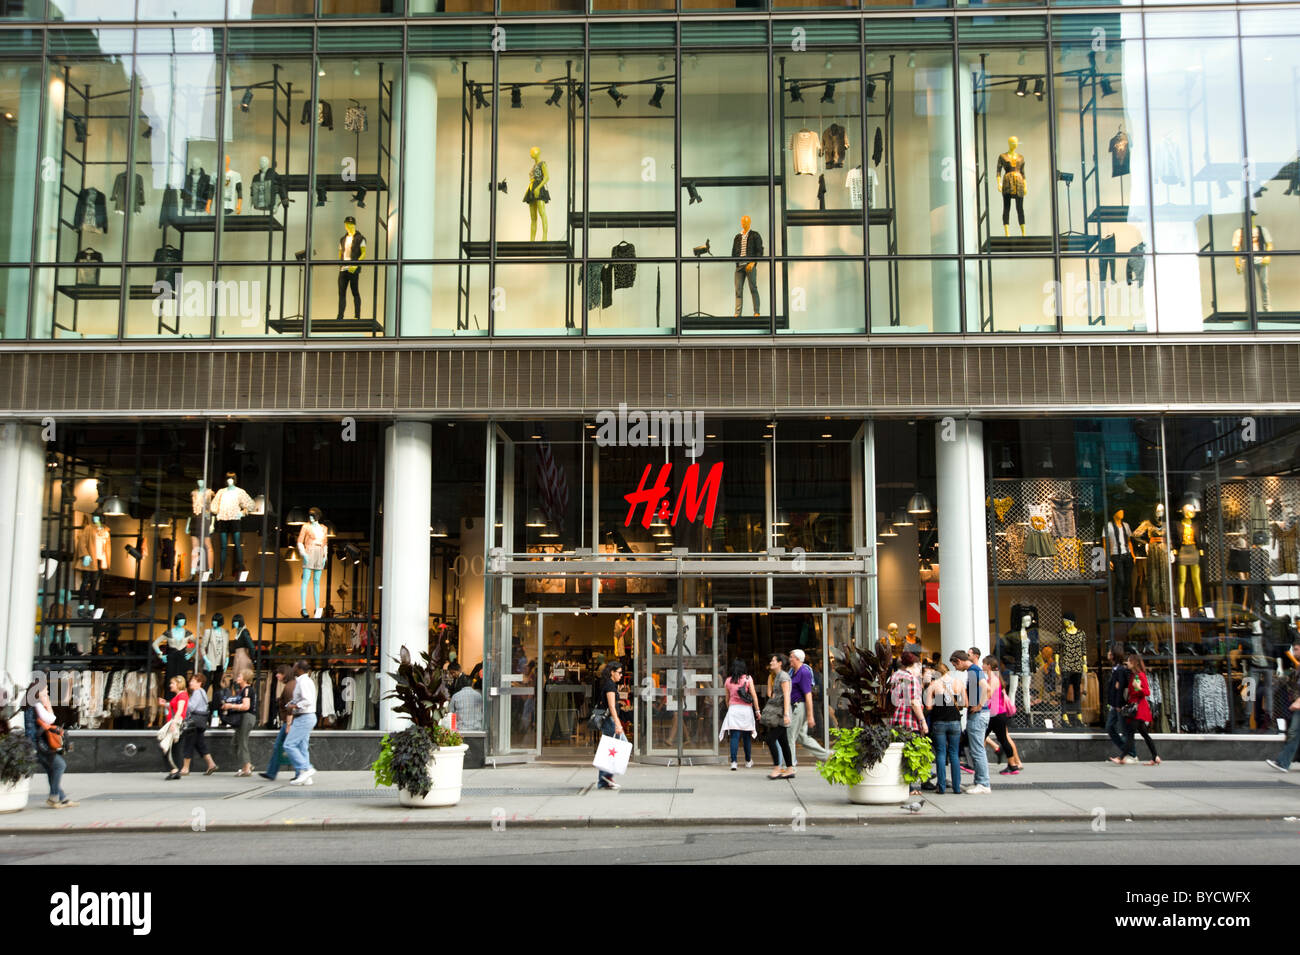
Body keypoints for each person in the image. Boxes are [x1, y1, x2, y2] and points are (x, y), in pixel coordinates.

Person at [23, 680, 77, 808]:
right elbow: (51, 719)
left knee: (52, 769)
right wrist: (47, 703)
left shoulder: (31, 704)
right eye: (45, 691)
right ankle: (54, 798)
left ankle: (61, 798)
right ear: (37, 692)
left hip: (37, 744)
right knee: (60, 765)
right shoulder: (36, 704)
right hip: (40, 745)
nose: (47, 693)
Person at [887, 652, 927, 794]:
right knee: (910, 754)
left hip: (896, 719)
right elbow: (915, 702)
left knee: (899, 754)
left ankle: (902, 785)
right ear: (914, 665)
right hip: (908, 720)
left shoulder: (895, 676)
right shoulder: (911, 678)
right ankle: (909, 787)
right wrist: (923, 721)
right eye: (918, 665)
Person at [925, 658, 967, 794]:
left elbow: (928, 706)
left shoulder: (934, 685)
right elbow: (965, 703)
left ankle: (941, 787)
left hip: (939, 722)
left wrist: (938, 701)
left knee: (941, 753)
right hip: (955, 721)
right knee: (954, 754)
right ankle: (956, 787)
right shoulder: (958, 683)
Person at [953, 650, 991, 793]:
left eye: (955, 665)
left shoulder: (973, 670)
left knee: (977, 750)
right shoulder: (974, 670)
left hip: (978, 715)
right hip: (979, 714)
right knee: (977, 749)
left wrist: (980, 705)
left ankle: (983, 783)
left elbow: (986, 688)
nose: (956, 669)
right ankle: (979, 782)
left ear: (959, 661)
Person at [786, 648, 830, 765]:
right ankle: (828, 756)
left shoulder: (803, 672)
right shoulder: (794, 671)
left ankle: (789, 765)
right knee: (802, 738)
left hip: (799, 707)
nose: (789, 659)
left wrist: (810, 716)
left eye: (791, 657)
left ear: (797, 659)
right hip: (796, 707)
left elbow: (808, 694)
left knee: (789, 736)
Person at [720, 658, 761, 770]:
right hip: (746, 710)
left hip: (734, 710)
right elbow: (754, 696)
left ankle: (734, 762)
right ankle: (748, 761)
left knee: (734, 737)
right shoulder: (748, 679)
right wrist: (757, 711)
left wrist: (731, 709)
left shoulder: (728, 681)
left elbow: (727, 699)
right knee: (746, 737)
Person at [984, 656, 1023, 775]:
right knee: (1001, 739)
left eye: (984, 664)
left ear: (989, 666)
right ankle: (1012, 765)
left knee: (998, 738)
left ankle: (1012, 764)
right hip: (996, 714)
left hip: (996, 714)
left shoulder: (994, 680)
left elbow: (988, 695)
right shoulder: (994, 679)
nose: (982, 666)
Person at [1266, 641, 1300, 773]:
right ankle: (1283, 762)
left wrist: (1298, 701)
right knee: (1294, 733)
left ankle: (1283, 762)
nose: (1293, 653)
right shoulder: (1297, 667)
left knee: (1293, 732)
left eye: (1296, 649)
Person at [259, 665, 296, 781]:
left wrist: (289, 725)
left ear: (284, 674)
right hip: (291, 722)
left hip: (290, 722)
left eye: (279, 673)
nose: (276, 675)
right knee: (288, 747)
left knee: (287, 747)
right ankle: (272, 772)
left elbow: (291, 706)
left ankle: (273, 772)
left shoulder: (289, 687)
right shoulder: (291, 685)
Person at [284, 659, 317, 786]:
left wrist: (294, 706)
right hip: (306, 716)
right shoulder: (303, 681)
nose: (292, 668)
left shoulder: (304, 682)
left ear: (299, 669)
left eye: (294, 666)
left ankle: (306, 769)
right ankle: (306, 777)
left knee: (289, 744)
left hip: (304, 716)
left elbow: (307, 700)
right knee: (302, 747)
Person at [179, 673, 217, 777]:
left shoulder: (197, 692)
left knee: (189, 743)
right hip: (200, 722)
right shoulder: (203, 692)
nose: (190, 683)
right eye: (190, 681)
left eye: (193, 681)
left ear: (199, 683)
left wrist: (184, 701)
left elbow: (191, 707)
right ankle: (211, 764)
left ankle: (185, 768)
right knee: (200, 744)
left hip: (194, 723)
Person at [1125, 653, 1160, 765]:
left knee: (1130, 733)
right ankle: (1155, 757)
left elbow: (1147, 692)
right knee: (1144, 734)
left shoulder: (1140, 675)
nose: (1127, 663)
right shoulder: (1133, 675)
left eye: (1129, 661)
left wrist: (1139, 687)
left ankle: (1121, 757)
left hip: (1139, 709)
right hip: (1136, 708)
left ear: (1134, 663)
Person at [596, 661, 625, 790]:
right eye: (619, 672)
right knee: (617, 747)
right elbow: (611, 706)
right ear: (612, 673)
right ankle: (605, 776)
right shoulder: (610, 686)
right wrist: (618, 724)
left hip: (609, 721)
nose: (621, 675)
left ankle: (604, 779)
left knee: (611, 748)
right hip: (610, 722)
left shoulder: (609, 684)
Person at [764, 653, 794, 779]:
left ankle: (777, 767)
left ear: (780, 663)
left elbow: (787, 695)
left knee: (770, 739)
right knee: (783, 742)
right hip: (778, 713)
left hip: (781, 714)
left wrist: (786, 714)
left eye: (773, 660)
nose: (771, 662)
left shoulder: (783, 676)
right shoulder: (777, 676)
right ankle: (790, 768)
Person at [221, 668, 255, 776]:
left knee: (242, 742)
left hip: (247, 717)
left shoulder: (247, 690)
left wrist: (231, 706)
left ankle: (246, 768)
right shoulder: (242, 690)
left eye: (240, 676)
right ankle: (248, 764)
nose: (237, 678)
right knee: (236, 742)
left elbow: (246, 706)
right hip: (243, 718)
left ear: (245, 678)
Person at [1105, 645, 1136, 764]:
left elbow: (1121, 689)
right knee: (1110, 727)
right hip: (1114, 705)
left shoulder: (1121, 670)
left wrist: (1118, 705)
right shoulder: (1115, 670)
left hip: (1119, 706)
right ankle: (1125, 751)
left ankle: (1131, 754)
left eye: (1109, 652)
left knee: (1123, 730)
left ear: (1113, 655)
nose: (1108, 654)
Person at [159, 675, 189, 780]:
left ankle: (175, 770)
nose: (170, 685)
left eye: (172, 683)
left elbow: (180, 710)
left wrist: (174, 723)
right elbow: (176, 708)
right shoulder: (179, 696)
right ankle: (175, 770)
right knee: (173, 748)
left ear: (178, 684)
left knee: (167, 747)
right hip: (175, 723)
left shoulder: (182, 696)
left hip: (176, 724)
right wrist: (166, 704)